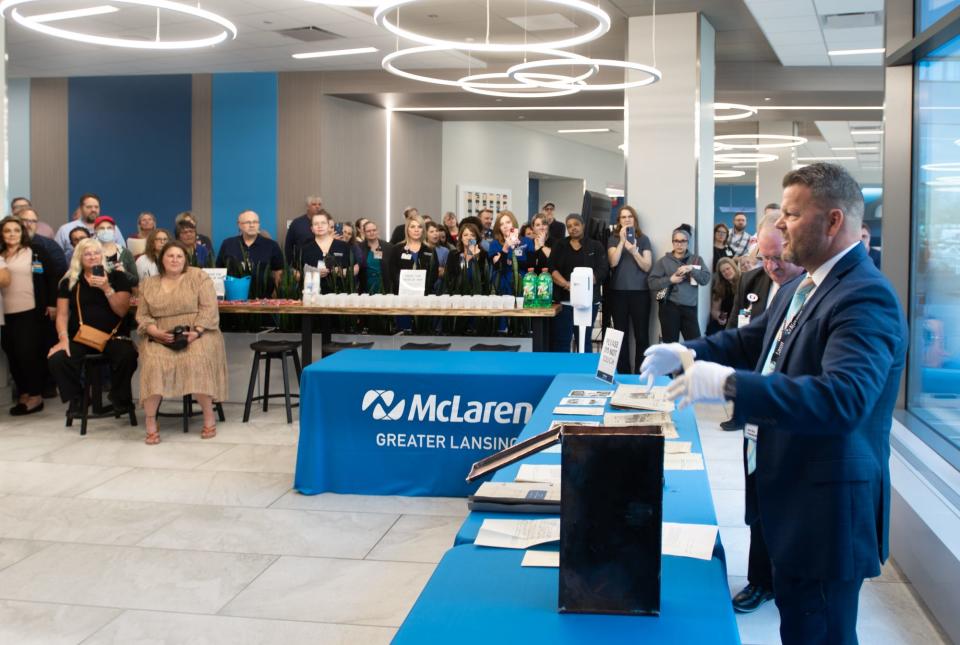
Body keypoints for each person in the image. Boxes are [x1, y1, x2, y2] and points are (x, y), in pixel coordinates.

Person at [644, 163, 907, 645]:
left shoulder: (865, 297)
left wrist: (728, 386)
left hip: (827, 514)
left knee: (821, 633)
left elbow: (842, 399)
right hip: (790, 498)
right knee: (797, 627)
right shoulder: (800, 286)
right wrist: (689, 354)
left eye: (791, 214)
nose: (780, 224)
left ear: (832, 221)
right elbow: (751, 342)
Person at [717, 211, 805, 614]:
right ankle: (759, 580)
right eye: (764, 258)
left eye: (778, 258)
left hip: (789, 415)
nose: (771, 267)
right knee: (754, 499)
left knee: (783, 503)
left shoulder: (809, 291)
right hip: (754, 410)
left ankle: (784, 578)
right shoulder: (754, 282)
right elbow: (742, 336)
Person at [137, 241, 228, 445]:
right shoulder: (148, 284)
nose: (175, 260)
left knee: (196, 359)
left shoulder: (198, 276)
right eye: (170, 256)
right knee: (152, 363)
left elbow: (209, 309)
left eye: (179, 256)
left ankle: (208, 416)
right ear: (162, 259)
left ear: (186, 259)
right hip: (160, 335)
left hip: (197, 332)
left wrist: (196, 332)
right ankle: (151, 421)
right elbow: (142, 316)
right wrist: (155, 332)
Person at [47, 238, 137, 416]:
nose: (92, 257)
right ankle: (79, 397)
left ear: (102, 255)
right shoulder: (70, 282)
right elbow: (62, 314)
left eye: (96, 253)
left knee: (128, 355)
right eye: (87, 253)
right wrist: (63, 339)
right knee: (58, 358)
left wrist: (106, 288)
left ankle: (119, 397)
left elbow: (122, 311)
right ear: (79, 257)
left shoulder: (117, 277)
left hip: (113, 337)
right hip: (82, 336)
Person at [0, 216, 60, 414]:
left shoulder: (35, 251)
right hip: (5, 314)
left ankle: (36, 396)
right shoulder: (1, 254)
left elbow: (51, 277)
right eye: (7, 231)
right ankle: (24, 392)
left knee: (28, 354)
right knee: (13, 355)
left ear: (22, 233)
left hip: (31, 312)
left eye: (16, 230)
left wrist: (52, 304)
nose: (12, 234)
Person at [549, 214, 608, 352]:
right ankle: (561, 371)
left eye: (576, 224)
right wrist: (567, 284)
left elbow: (602, 270)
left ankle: (584, 372)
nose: (573, 228)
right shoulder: (560, 245)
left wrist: (582, 286)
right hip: (565, 302)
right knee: (562, 341)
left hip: (588, 302)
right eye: (569, 226)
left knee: (584, 341)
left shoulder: (595, 246)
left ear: (583, 225)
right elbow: (552, 268)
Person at [606, 205, 653, 373]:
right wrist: (621, 241)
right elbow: (613, 262)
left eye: (630, 216)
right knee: (621, 335)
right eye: (623, 217)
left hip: (640, 293)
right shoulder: (612, 238)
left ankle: (641, 373)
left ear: (635, 219)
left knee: (641, 336)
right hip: (618, 293)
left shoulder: (644, 239)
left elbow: (647, 266)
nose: (627, 219)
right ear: (619, 221)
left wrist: (634, 251)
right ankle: (624, 372)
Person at [648, 227, 710, 342]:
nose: (679, 244)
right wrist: (670, 279)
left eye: (683, 241)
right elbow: (651, 283)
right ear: (673, 242)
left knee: (695, 345)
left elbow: (705, 279)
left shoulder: (696, 260)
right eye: (676, 241)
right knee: (670, 346)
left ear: (688, 242)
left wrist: (691, 269)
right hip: (669, 307)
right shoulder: (664, 261)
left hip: (690, 308)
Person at [216, 210, 284, 297]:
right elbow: (220, 270)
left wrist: (276, 294)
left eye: (255, 222)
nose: (252, 225)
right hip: (233, 299)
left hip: (263, 300)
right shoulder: (228, 244)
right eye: (248, 222)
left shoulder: (271, 245)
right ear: (239, 225)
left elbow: (278, 272)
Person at [299, 211, 358, 293]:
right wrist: (315, 273)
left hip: (340, 295)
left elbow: (355, 268)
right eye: (316, 224)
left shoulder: (343, 246)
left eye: (323, 223)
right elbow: (298, 273)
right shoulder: (305, 249)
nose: (320, 226)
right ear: (312, 229)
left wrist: (343, 272)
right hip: (314, 295)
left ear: (329, 226)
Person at [55, 193, 126, 260]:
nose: (93, 210)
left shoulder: (111, 228)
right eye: (89, 207)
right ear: (81, 208)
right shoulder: (65, 229)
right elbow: (56, 255)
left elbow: (123, 252)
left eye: (96, 207)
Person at [385, 213, 438, 295]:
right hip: (401, 294)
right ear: (407, 229)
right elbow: (392, 273)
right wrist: (404, 287)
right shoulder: (397, 249)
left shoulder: (430, 250)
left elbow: (434, 274)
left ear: (423, 230)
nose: (416, 230)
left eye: (419, 227)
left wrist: (424, 288)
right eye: (412, 227)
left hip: (424, 295)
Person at [488, 211, 535, 297]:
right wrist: (505, 248)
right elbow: (498, 267)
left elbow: (531, 265)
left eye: (508, 222)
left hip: (525, 289)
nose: (505, 226)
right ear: (499, 228)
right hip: (503, 291)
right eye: (501, 224)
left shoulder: (527, 241)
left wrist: (509, 260)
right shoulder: (494, 244)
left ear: (513, 223)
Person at [16, 208, 68, 282]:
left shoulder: (49, 245)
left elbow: (60, 270)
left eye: (33, 221)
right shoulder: (7, 245)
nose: (29, 225)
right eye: (25, 220)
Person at [445, 222, 490, 295]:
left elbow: (485, 279)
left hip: (478, 296)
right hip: (457, 296)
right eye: (465, 235)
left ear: (477, 238)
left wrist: (476, 258)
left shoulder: (483, 255)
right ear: (461, 238)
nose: (469, 237)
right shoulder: (453, 255)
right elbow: (448, 278)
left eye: (472, 235)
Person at [94, 216, 138, 286]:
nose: (106, 231)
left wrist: (124, 272)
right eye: (102, 228)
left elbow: (136, 281)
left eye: (109, 228)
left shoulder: (125, 253)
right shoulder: (90, 252)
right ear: (95, 231)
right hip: (96, 294)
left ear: (114, 230)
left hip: (122, 294)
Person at [285, 196, 324, 262]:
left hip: (322, 264)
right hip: (301, 264)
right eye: (314, 204)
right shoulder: (297, 223)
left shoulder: (326, 223)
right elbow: (288, 246)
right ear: (307, 206)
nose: (317, 206)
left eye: (319, 204)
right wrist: (291, 266)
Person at [358, 220, 392, 294]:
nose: (372, 233)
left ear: (378, 231)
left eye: (374, 230)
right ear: (364, 233)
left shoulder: (388, 247)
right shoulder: (359, 248)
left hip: (384, 286)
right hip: (366, 287)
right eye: (368, 231)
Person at [708, 257, 740, 334]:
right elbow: (714, 310)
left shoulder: (744, 281)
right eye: (723, 271)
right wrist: (719, 317)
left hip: (742, 320)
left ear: (734, 268)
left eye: (728, 268)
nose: (726, 272)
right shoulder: (720, 288)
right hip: (727, 322)